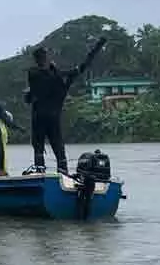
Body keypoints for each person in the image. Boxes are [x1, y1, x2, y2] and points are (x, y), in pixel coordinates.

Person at [25, 38, 106, 173]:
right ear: (45, 59)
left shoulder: (33, 75)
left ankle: (40, 171)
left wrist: (52, 68)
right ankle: (63, 172)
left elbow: (30, 93)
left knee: (38, 148)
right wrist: (97, 48)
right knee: (58, 147)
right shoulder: (60, 80)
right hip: (53, 117)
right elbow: (82, 67)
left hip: (39, 117)